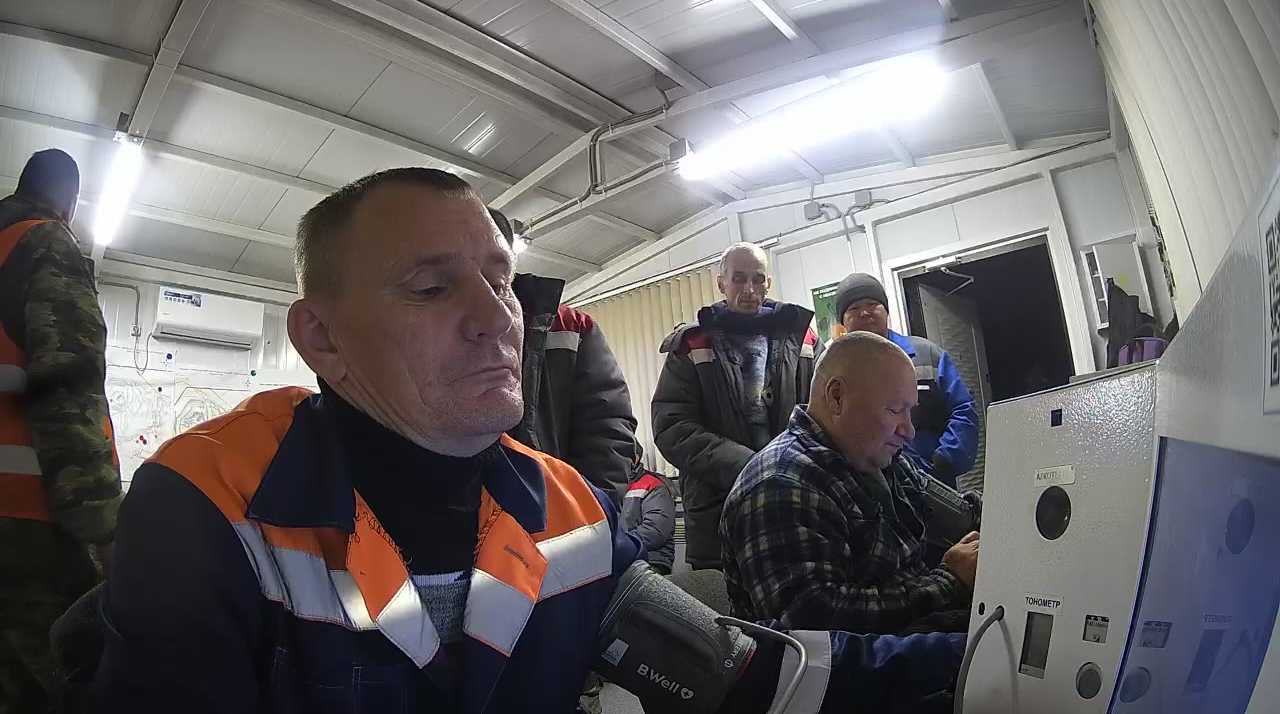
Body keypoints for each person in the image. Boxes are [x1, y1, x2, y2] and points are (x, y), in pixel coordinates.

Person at [92, 168, 970, 713]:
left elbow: (746, 675)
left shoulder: (568, 513)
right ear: (321, 338)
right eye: (431, 288)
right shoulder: (210, 507)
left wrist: (995, 659)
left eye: (501, 280)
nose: (497, 318)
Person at [720, 332, 980, 636]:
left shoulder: (879, 458)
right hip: (855, 663)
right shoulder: (778, 485)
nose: (909, 430)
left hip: (912, 640)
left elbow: (957, 513)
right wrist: (950, 584)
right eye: (895, 409)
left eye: (910, 411)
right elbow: (817, 625)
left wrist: (1006, 520)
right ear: (837, 397)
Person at [0, 149, 123, 713]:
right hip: (30, 531)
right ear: (70, 202)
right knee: (62, 688)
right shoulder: (44, 243)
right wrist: (105, 530)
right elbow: (67, 390)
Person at [652, 242, 821, 570]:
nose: (749, 289)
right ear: (721, 283)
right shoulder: (693, 344)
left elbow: (825, 414)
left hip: (796, 507)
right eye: (739, 278)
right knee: (724, 600)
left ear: (768, 283)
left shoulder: (805, 341)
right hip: (719, 515)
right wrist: (750, 466)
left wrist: (792, 467)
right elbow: (672, 427)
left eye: (757, 279)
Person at [488, 208, 636, 504]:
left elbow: (607, 428)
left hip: (558, 511)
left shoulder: (573, 328)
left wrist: (590, 509)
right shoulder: (431, 326)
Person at [835, 273, 979, 487]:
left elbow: (963, 408)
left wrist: (946, 459)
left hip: (933, 482)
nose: (864, 312)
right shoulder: (835, 369)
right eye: (854, 308)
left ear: (886, 310)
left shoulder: (926, 355)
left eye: (872, 304)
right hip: (869, 488)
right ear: (843, 322)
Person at [622, 445, 675, 575]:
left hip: (650, 559)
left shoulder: (654, 485)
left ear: (635, 458)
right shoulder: (610, 487)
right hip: (621, 558)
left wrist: (618, 544)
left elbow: (655, 532)